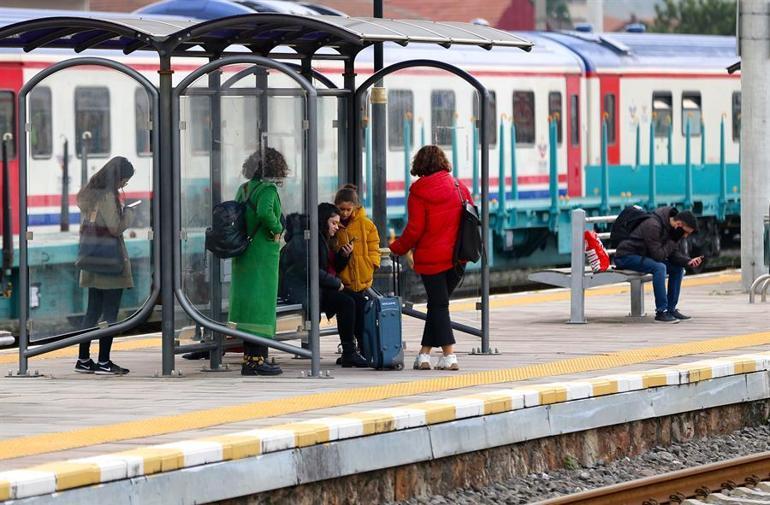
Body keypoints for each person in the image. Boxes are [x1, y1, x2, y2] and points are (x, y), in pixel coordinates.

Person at [389, 145, 473, 371]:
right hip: (458, 259)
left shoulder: (419, 191)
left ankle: (450, 355)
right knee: (437, 305)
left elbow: (415, 229)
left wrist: (396, 247)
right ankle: (424, 355)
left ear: (420, 165)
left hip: (432, 259)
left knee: (439, 305)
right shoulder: (459, 186)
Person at [280, 204, 368, 367]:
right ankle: (349, 352)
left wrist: (343, 256)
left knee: (359, 300)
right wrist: (337, 284)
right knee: (346, 302)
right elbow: (310, 270)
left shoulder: (320, 238)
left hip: (314, 287)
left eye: (337, 223)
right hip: (301, 290)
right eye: (333, 223)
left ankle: (364, 349)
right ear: (323, 220)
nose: (337, 227)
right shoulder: (308, 239)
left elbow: (325, 267)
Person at [75, 156, 136, 375]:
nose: (124, 185)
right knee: (109, 314)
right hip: (109, 264)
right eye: (124, 181)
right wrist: (128, 213)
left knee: (92, 313)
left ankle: (83, 359)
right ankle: (103, 362)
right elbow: (115, 227)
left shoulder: (89, 194)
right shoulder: (108, 196)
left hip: (92, 260)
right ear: (117, 178)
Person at [229, 147, 287, 376]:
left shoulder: (243, 189)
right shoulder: (268, 189)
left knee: (248, 307)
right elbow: (264, 213)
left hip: (244, 252)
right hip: (262, 253)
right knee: (262, 307)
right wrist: (278, 229)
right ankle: (256, 361)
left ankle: (250, 357)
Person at [614, 207, 702, 323]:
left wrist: (687, 261)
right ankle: (661, 312)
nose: (685, 236)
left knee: (677, 268)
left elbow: (673, 254)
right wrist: (673, 240)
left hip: (642, 256)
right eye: (685, 232)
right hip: (626, 256)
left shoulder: (672, 229)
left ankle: (671, 309)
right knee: (659, 267)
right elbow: (658, 256)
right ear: (679, 224)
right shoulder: (653, 225)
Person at [333, 184, 381, 352]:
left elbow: (374, 247)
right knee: (347, 314)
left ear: (355, 207)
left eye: (348, 209)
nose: (344, 213)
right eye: (341, 209)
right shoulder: (335, 226)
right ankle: (350, 347)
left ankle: (363, 346)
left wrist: (372, 263)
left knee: (361, 314)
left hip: (362, 276)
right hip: (344, 279)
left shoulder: (367, 225)